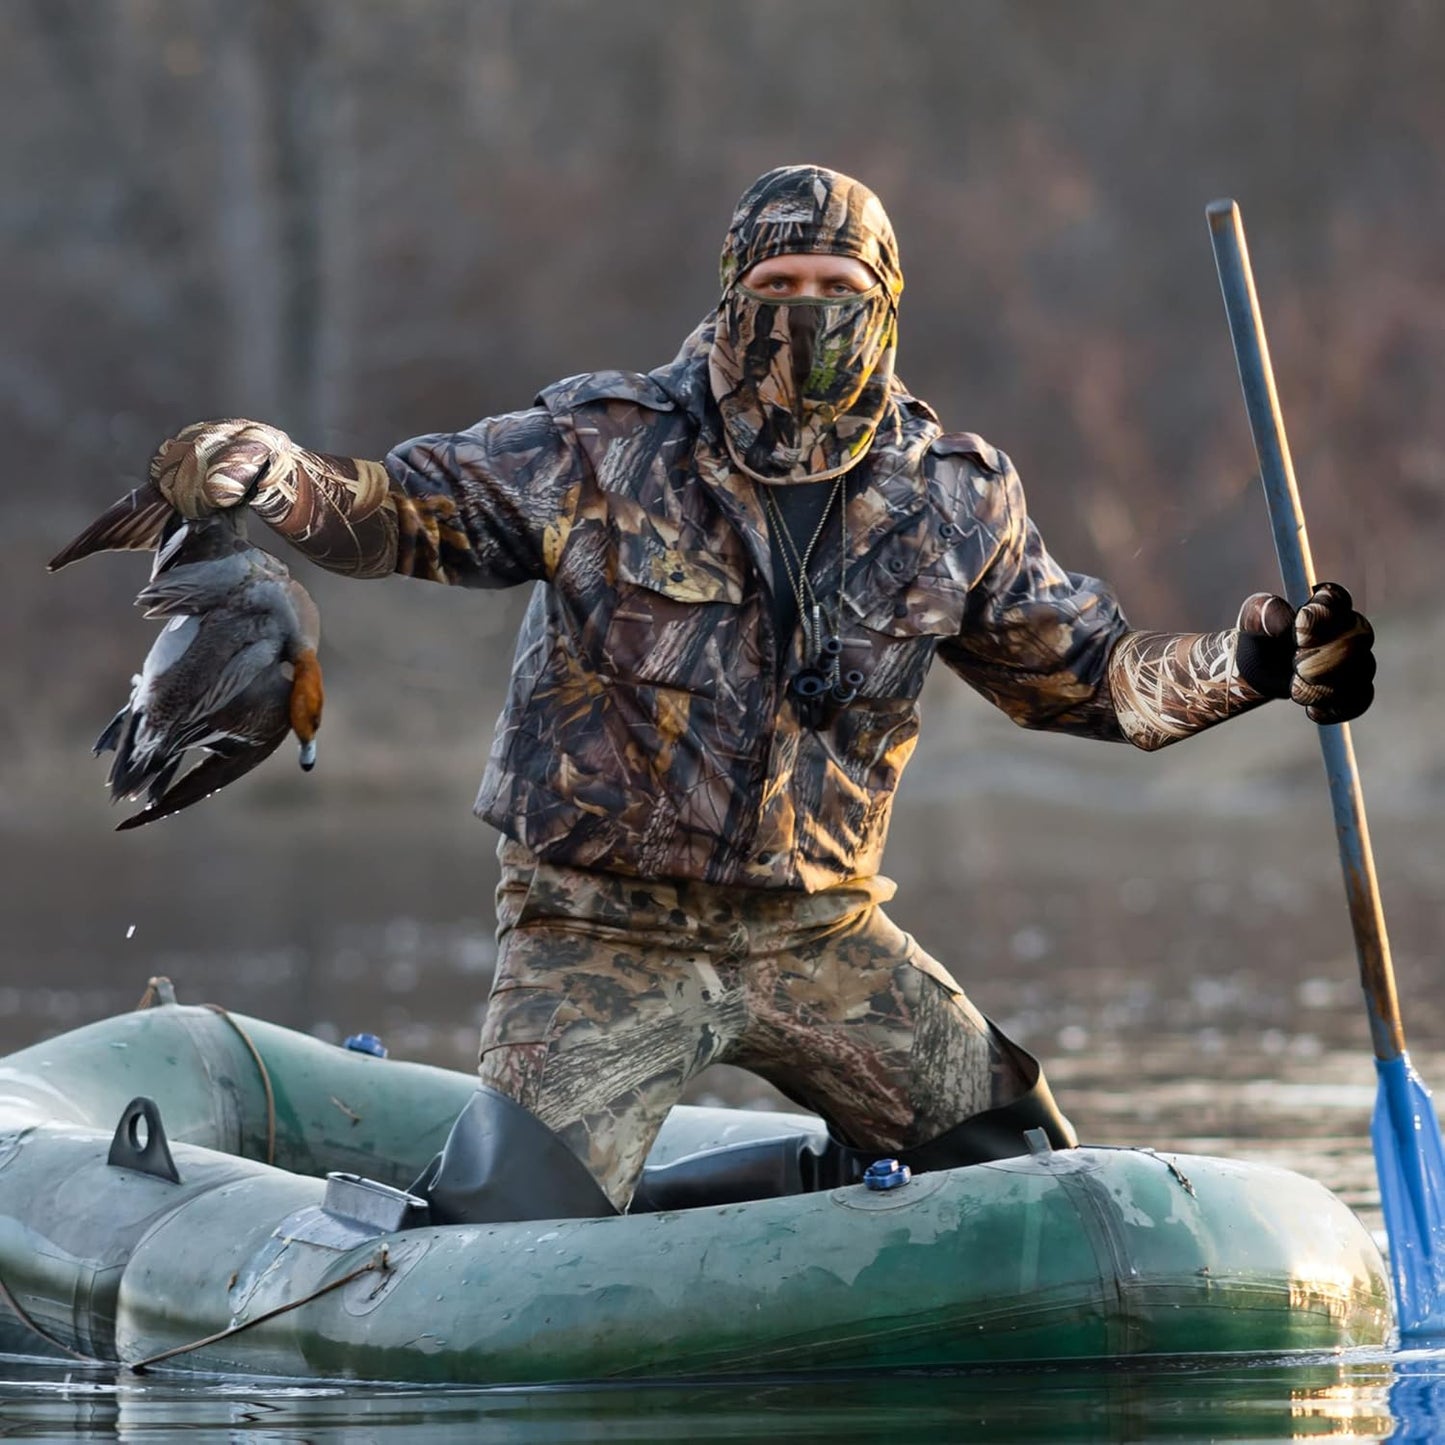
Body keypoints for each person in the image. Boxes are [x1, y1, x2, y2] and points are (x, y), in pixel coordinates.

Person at [148, 165, 1375, 1221]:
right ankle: (564, 1213)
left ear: (885, 300)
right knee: (506, 1236)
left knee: (1027, 1184)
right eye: (780, 284)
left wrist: (1252, 662)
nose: (808, 309)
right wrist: (282, 476)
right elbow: (403, 514)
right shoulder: (602, 443)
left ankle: (801, 1198)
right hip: (599, 929)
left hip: (818, 931)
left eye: (838, 285)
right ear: (733, 290)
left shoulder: (951, 496)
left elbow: (1094, 679)